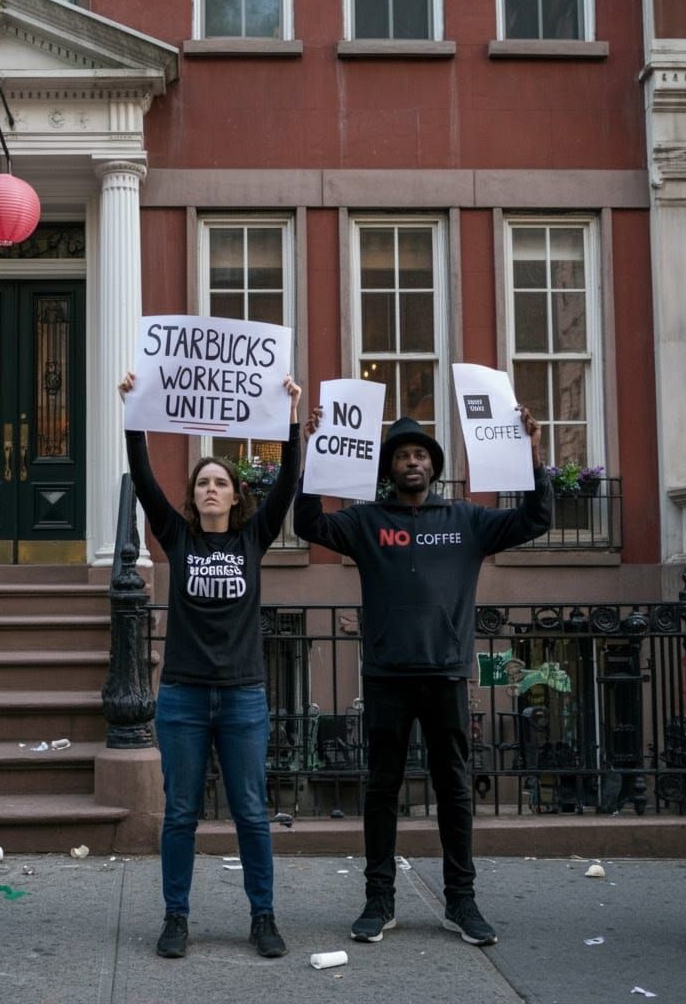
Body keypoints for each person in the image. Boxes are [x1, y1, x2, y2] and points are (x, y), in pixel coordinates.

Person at [294, 408, 552, 947]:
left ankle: (461, 901)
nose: (412, 462)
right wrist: (311, 452)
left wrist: (532, 457)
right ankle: (378, 899)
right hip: (387, 673)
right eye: (402, 455)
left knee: (455, 788)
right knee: (382, 789)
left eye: (420, 455)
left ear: (432, 467)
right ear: (389, 468)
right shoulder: (367, 521)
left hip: (447, 676)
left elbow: (535, 520)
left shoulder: (467, 519)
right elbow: (309, 525)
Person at [118, 370, 302, 960]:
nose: (211, 490)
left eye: (221, 482)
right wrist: (135, 412)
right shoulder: (177, 537)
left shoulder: (253, 539)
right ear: (194, 496)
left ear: (235, 494)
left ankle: (263, 916)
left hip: (244, 696)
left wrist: (293, 418)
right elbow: (145, 483)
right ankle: (176, 917)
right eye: (203, 483)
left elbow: (289, 486)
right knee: (180, 813)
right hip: (183, 698)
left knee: (251, 811)